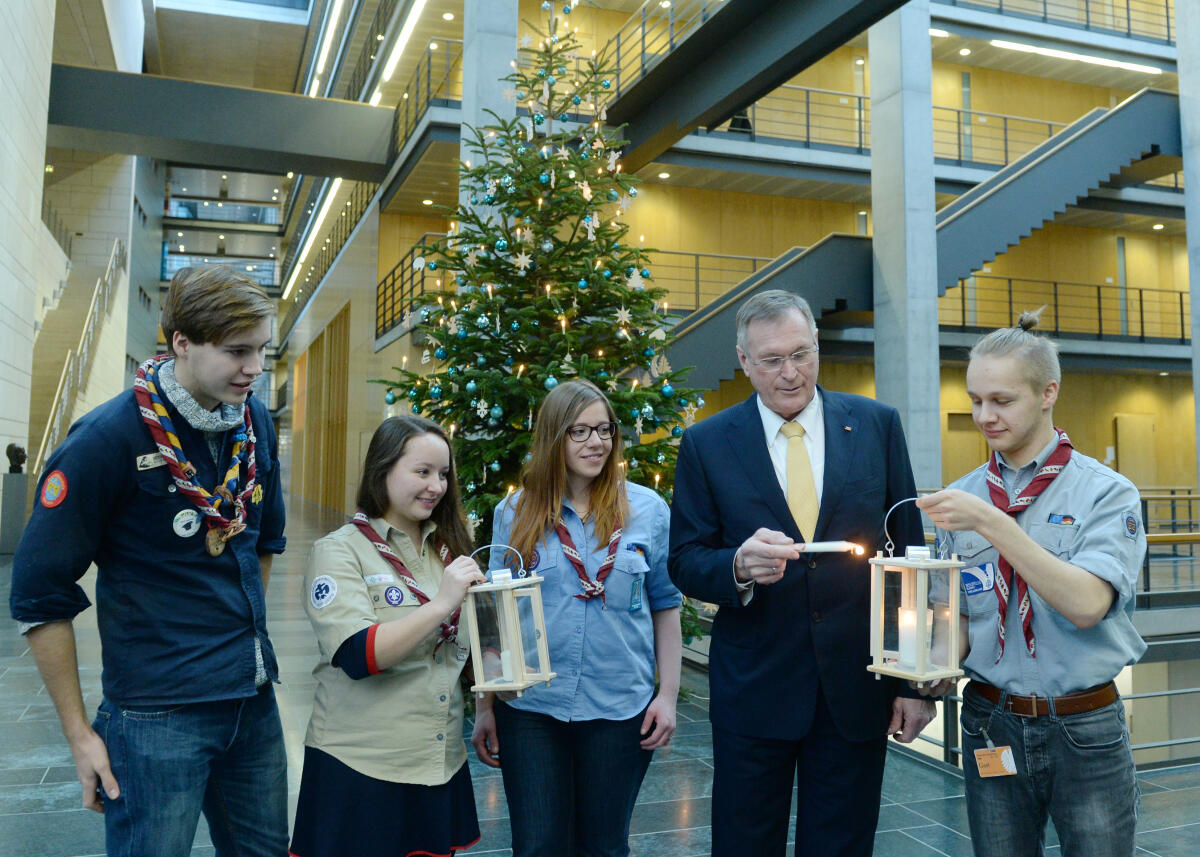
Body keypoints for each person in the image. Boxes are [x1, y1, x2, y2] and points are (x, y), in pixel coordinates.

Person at [9, 265, 287, 856]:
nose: (255, 369)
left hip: (252, 700)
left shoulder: (256, 423)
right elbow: (39, 595)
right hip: (157, 717)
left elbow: (263, 542)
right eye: (238, 352)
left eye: (263, 349)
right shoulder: (105, 439)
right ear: (181, 343)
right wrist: (80, 735)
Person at [668, 289, 935, 857]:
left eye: (802, 354)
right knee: (744, 843)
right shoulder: (706, 444)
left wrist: (913, 682)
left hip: (857, 688)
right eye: (771, 360)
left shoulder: (876, 425)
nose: (791, 374)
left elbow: (910, 558)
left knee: (843, 845)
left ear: (816, 345)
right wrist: (737, 565)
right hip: (755, 691)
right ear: (744, 361)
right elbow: (686, 560)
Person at [916, 311, 1146, 857]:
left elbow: (1088, 604)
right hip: (990, 721)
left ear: (1048, 393)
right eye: (975, 400)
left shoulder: (1105, 493)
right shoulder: (965, 496)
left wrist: (995, 525)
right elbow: (957, 622)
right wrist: (925, 672)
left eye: (1002, 400)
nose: (984, 416)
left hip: (1084, 726)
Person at [471, 379, 683, 857]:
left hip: (618, 706)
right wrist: (485, 706)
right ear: (554, 438)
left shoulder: (647, 510)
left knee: (605, 847)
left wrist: (666, 696)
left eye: (604, 429)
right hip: (531, 707)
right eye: (580, 431)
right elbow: (495, 616)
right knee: (538, 845)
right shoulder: (516, 511)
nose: (597, 442)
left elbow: (666, 606)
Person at [291, 415, 486, 857]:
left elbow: (470, 648)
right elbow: (358, 655)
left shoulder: (449, 550)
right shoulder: (339, 551)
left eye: (442, 474)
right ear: (383, 470)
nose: (435, 486)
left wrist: (489, 703)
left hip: (438, 762)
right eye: (422, 471)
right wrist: (441, 603)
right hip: (362, 766)